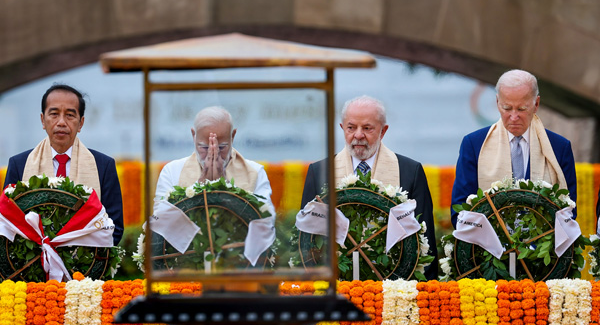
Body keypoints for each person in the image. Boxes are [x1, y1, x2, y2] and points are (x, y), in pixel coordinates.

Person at [300, 95, 438, 278]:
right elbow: (306, 237)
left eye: (367, 128)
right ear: (342, 128)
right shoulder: (320, 172)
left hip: (396, 285)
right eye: (351, 128)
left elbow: (425, 241)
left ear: (383, 131)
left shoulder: (410, 172)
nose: (358, 135)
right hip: (337, 283)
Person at [451, 69, 577, 224]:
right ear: (497, 102)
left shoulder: (559, 147)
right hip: (488, 246)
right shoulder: (474, 144)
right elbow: (460, 209)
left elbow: (569, 210)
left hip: (543, 245)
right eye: (507, 108)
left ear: (536, 104)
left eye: (522, 109)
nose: (514, 117)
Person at [4, 84, 124, 244]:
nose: (61, 122)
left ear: (81, 123)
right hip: (34, 265)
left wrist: (87, 259)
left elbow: (114, 226)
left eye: (69, 115)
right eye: (54, 114)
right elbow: (6, 220)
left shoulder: (103, 166)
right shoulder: (19, 164)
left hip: (85, 264)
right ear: (43, 120)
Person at [154, 106, 272, 206]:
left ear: (233, 136)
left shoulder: (255, 173)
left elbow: (265, 225)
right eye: (204, 147)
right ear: (194, 136)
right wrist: (199, 189)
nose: (213, 153)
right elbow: (160, 223)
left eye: (221, 147)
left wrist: (225, 189)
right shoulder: (172, 171)